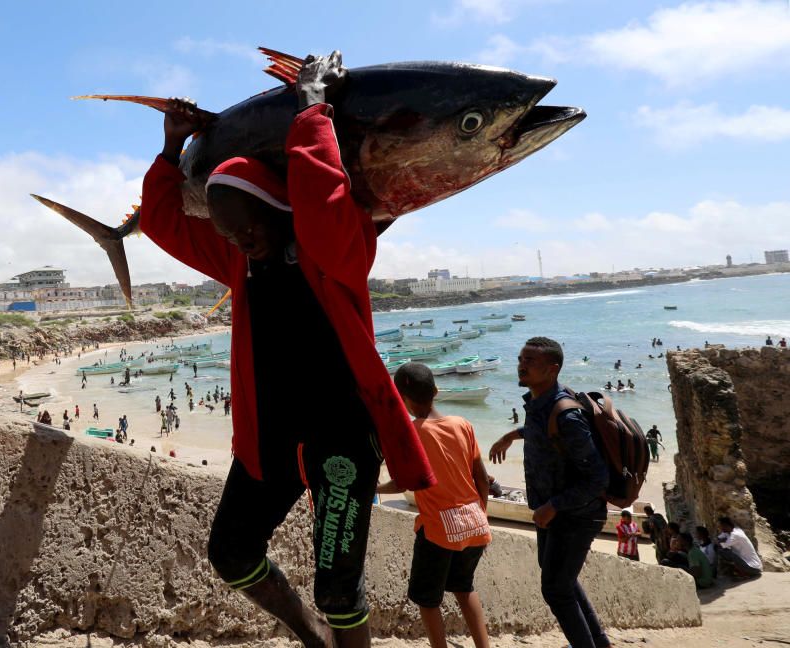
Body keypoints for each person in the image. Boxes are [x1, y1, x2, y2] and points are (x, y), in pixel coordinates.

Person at [139, 52, 434, 647]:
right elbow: (163, 220)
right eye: (225, 229)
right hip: (271, 441)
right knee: (230, 552)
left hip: (342, 439)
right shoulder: (240, 263)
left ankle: (335, 631)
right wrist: (170, 151)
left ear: (279, 206)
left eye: (246, 224)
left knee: (339, 588)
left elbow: (324, 207)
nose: (238, 238)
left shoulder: (335, 253)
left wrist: (312, 113)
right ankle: (310, 635)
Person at [489, 337, 611, 648]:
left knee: (555, 589)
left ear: (552, 369)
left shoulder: (566, 413)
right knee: (560, 581)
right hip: (554, 512)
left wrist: (554, 505)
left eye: (530, 361)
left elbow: (598, 478)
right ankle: (598, 641)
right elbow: (542, 430)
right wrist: (510, 435)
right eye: (521, 358)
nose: (521, 365)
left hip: (575, 515)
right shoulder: (540, 402)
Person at [377, 363, 491, 648]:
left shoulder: (412, 433)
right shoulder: (462, 424)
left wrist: (374, 488)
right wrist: (482, 514)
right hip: (475, 523)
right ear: (436, 391)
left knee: (427, 600)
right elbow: (482, 479)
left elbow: (402, 483)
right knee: (465, 588)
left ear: (402, 398)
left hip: (439, 530)